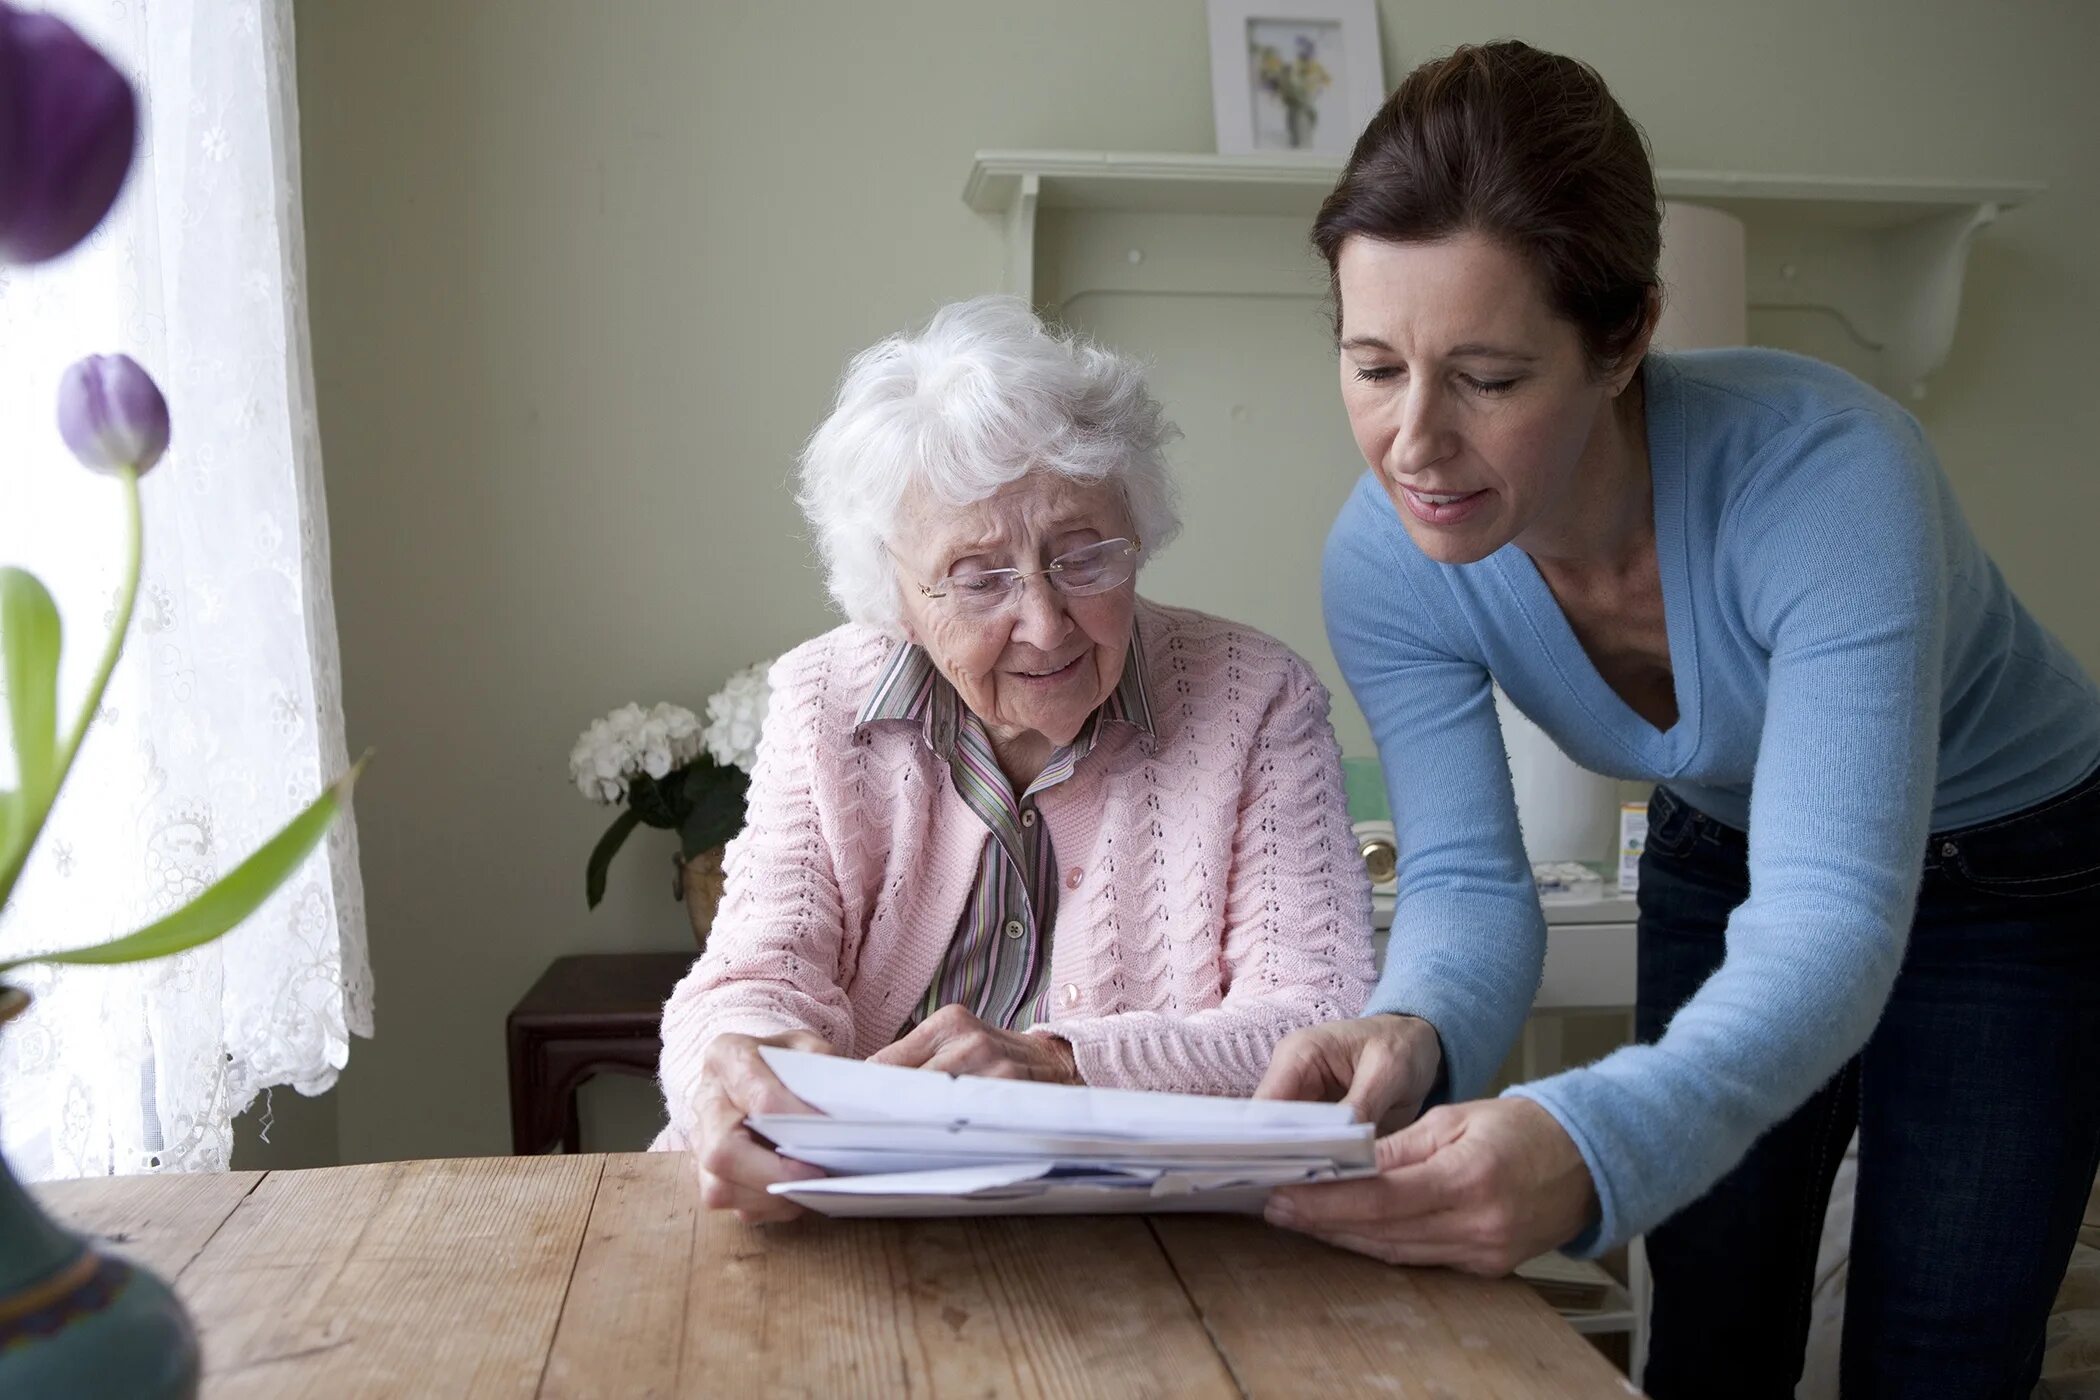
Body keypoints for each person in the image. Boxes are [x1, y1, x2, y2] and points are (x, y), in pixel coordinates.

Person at [1253, 39, 2100, 1399]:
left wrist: (1586, 1140)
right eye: (1371, 365)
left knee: (1938, 1358)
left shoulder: (1832, 480)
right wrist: (1409, 1026)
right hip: (1723, 839)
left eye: (1488, 376)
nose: (1413, 443)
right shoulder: (1383, 561)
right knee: (1706, 1333)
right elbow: (1470, 878)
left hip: (2016, 870)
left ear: (1626, 338)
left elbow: (1830, 919)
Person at [653, 296, 1376, 1223]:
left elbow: (1315, 1024)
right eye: (978, 577)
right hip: (834, 1220)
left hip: (1145, 1244)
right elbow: (751, 973)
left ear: (1138, 535)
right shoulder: (822, 700)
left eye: (1083, 558)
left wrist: (1059, 1067)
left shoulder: (1258, 699)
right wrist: (743, 1066)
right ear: (896, 594)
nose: (1044, 622)